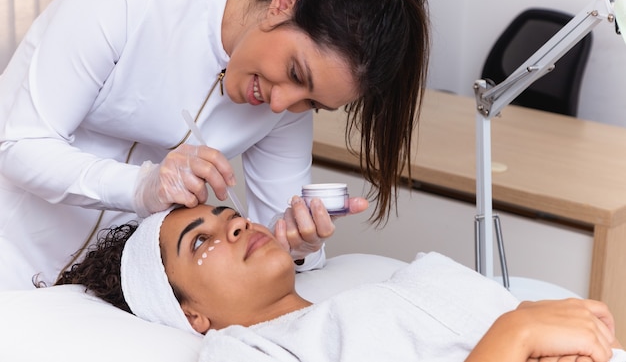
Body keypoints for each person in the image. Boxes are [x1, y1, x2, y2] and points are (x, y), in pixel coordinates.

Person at [0, 0, 430, 289]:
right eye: (296, 74)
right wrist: (140, 186)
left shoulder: (284, 105)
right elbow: (18, 144)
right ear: (283, 4)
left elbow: (272, 234)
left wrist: (300, 246)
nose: (282, 105)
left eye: (313, 103)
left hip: (97, 291)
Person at [57, 205, 624, 362]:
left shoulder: (401, 281)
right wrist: (516, 332)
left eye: (227, 214)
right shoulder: (245, 351)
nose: (233, 223)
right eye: (199, 242)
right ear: (191, 315)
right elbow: (515, 331)